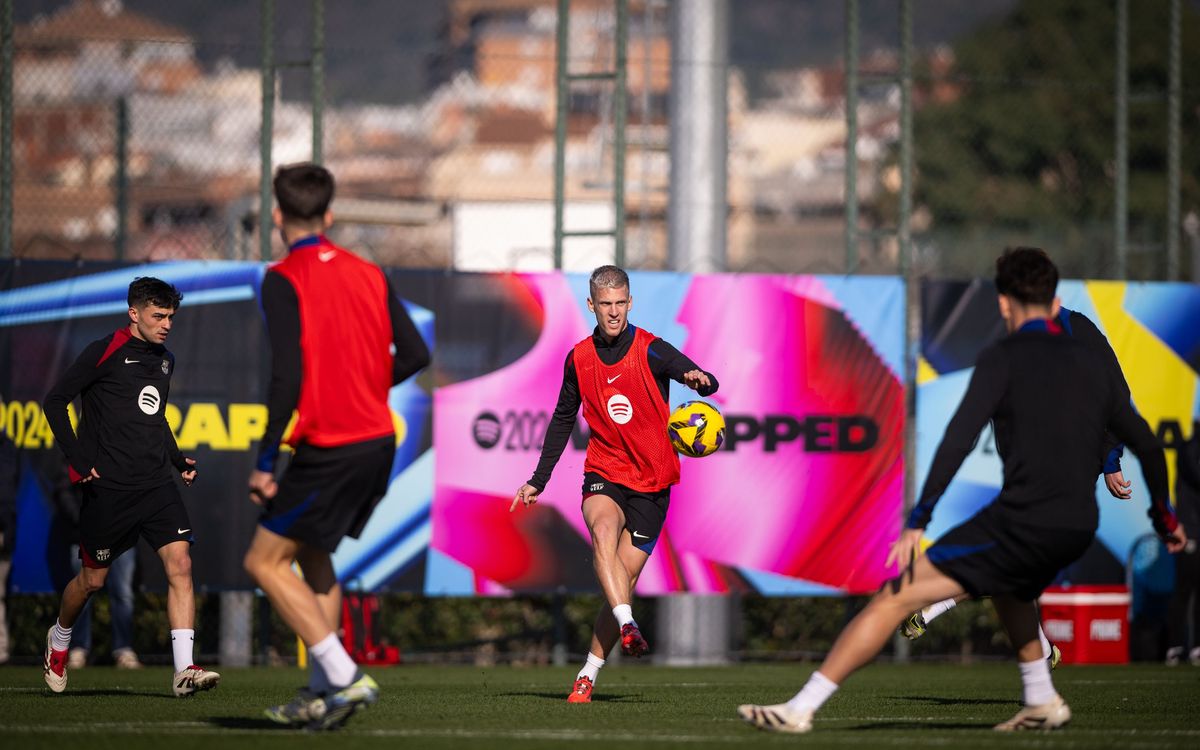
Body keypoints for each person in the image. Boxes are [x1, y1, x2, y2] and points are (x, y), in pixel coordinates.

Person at [737, 247, 1185, 734]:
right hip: (1078, 523)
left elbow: (956, 439)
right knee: (1011, 590)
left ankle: (800, 708)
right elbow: (1146, 442)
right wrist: (1164, 518)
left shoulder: (1004, 357)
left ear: (1003, 304)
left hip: (1024, 519)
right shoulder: (1089, 356)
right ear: (1055, 302)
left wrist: (919, 519)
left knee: (894, 597)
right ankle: (1041, 699)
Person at [243, 163, 430, 730]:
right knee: (314, 555)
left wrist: (264, 461)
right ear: (329, 216)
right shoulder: (370, 272)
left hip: (331, 444)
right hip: (377, 442)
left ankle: (344, 675)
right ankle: (324, 694)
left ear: (277, 216)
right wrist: (371, 386)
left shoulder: (282, 277)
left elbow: (285, 379)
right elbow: (416, 355)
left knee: (262, 560)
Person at [511, 265, 719, 704]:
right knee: (602, 530)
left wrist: (700, 380)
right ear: (592, 305)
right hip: (604, 471)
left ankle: (589, 672)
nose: (613, 312)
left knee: (618, 581)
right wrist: (538, 480)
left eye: (620, 303)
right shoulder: (579, 358)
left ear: (630, 301)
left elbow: (698, 376)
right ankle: (629, 624)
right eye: (605, 304)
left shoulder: (651, 350)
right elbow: (563, 419)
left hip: (653, 484)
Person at [900, 304, 1137, 668]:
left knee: (1017, 557)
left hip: (1069, 467)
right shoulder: (1011, 348)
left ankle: (946, 606)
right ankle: (1037, 655)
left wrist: (1110, 460)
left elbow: (1116, 394)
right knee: (1017, 559)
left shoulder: (1078, 330)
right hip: (1040, 474)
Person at [41, 277, 217, 696]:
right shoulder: (104, 350)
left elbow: (155, 420)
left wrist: (177, 461)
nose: (166, 324)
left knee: (182, 565)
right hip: (110, 490)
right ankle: (59, 640)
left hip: (156, 485)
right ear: (133, 314)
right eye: (158, 316)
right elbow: (54, 401)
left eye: (171, 316)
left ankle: (183, 670)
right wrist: (79, 461)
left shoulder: (165, 361)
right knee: (92, 582)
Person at [66, 547, 142, 670]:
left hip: (123, 539)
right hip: (85, 539)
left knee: (123, 594)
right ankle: (78, 649)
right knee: (82, 591)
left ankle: (123, 650)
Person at [1165, 429, 1200, 666]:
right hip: (1189, 530)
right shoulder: (1189, 447)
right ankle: (1176, 646)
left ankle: (1197, 645)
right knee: (1184, 589)